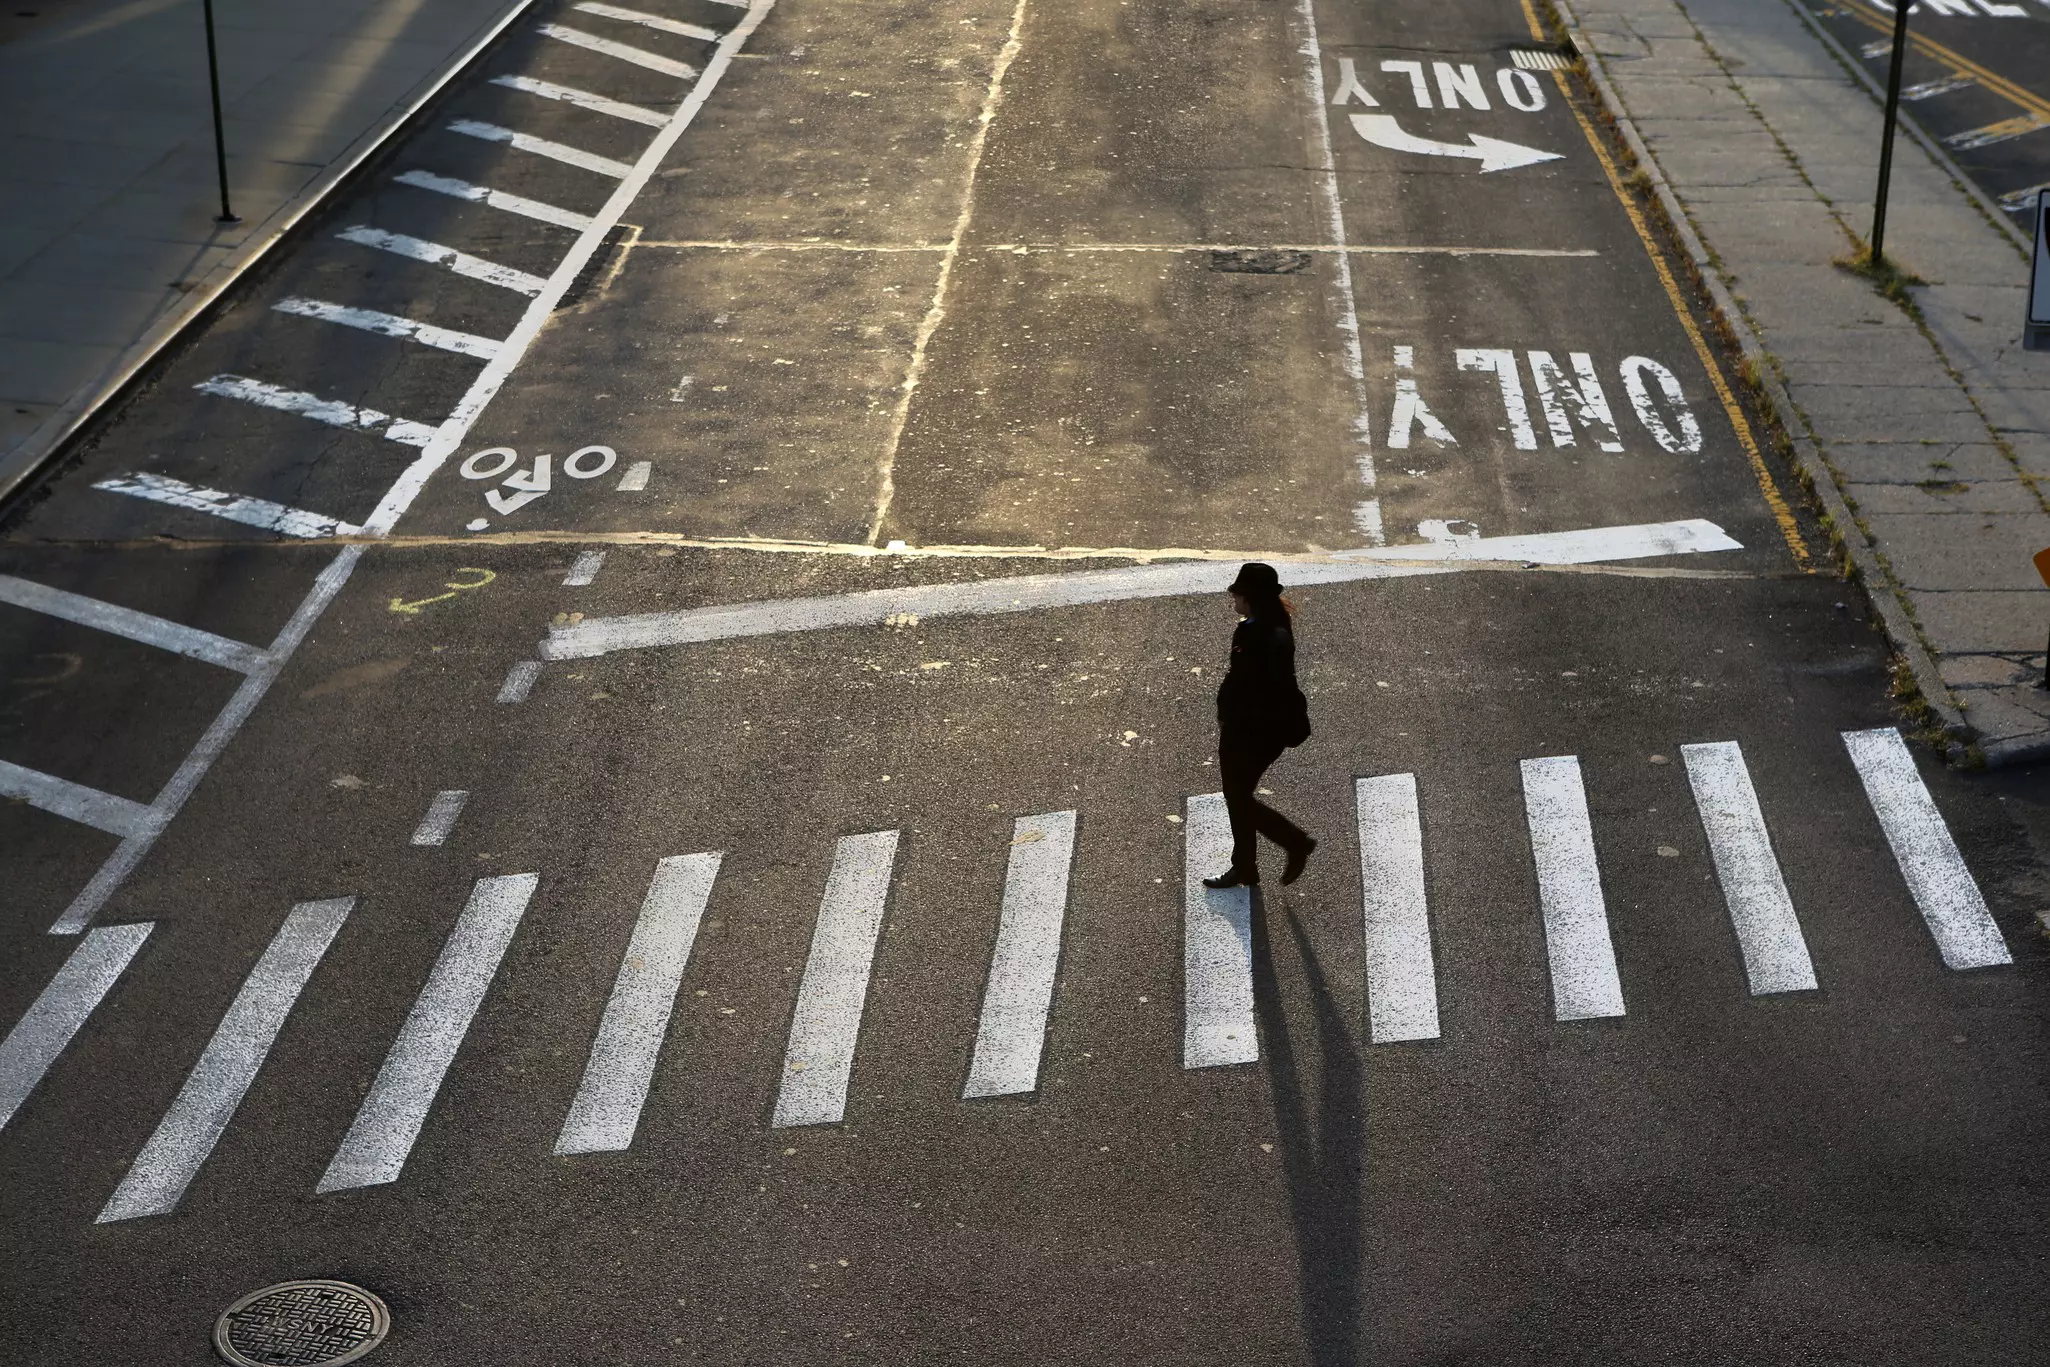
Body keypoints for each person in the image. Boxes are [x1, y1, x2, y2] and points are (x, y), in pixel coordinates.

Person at [1202, 562, 1316, 889]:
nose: (1233, 598)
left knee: (1237, 797)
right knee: (1237, 795)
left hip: (1255, 731)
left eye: (1237, 593)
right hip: (1244, 727)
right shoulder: (1258, 626)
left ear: (1250, 597)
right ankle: (1246, 868)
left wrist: (1240, 715)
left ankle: (1294, 842)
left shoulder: (1269, 635)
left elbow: (1272, 686)